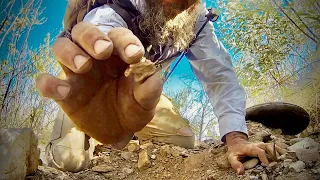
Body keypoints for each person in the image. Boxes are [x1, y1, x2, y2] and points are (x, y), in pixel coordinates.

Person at [36, 0, 282, 175]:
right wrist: (101, 53)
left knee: (182, 140)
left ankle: (125, 131)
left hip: (138, 94)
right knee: (68, 161)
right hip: (88, 88)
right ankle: (74, 139)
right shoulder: (112, 9)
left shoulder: (197, 21)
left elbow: (220, 76)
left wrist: (236, 138)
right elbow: (100, 29)